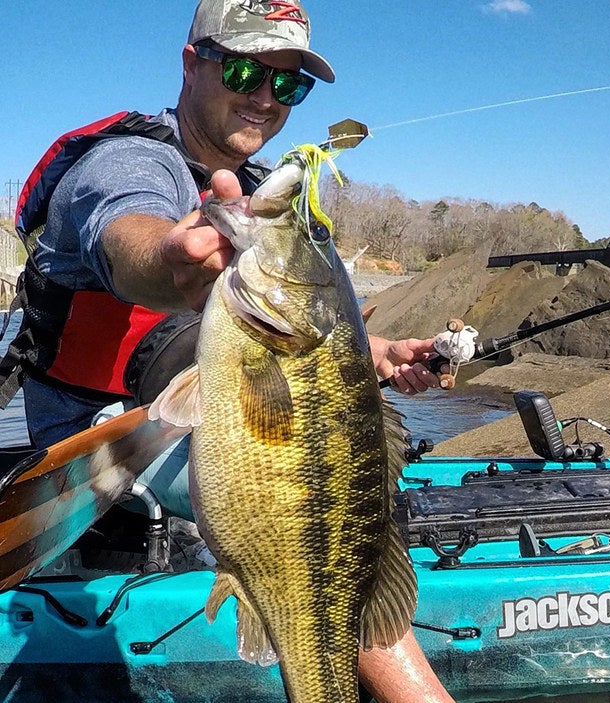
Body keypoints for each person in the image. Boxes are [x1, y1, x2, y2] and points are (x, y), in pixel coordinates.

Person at [7, 1, 452, 701]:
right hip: (100, 433)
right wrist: (170, 260)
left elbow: (295, 334)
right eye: (246, 68)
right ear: (192, 65)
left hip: (222, 418)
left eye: (290, 85)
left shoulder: (256, 199)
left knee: (336, 499)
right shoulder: (126, 160)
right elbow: (128, 235)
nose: (267, 97)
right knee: (318, 512)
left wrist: (379, 353)